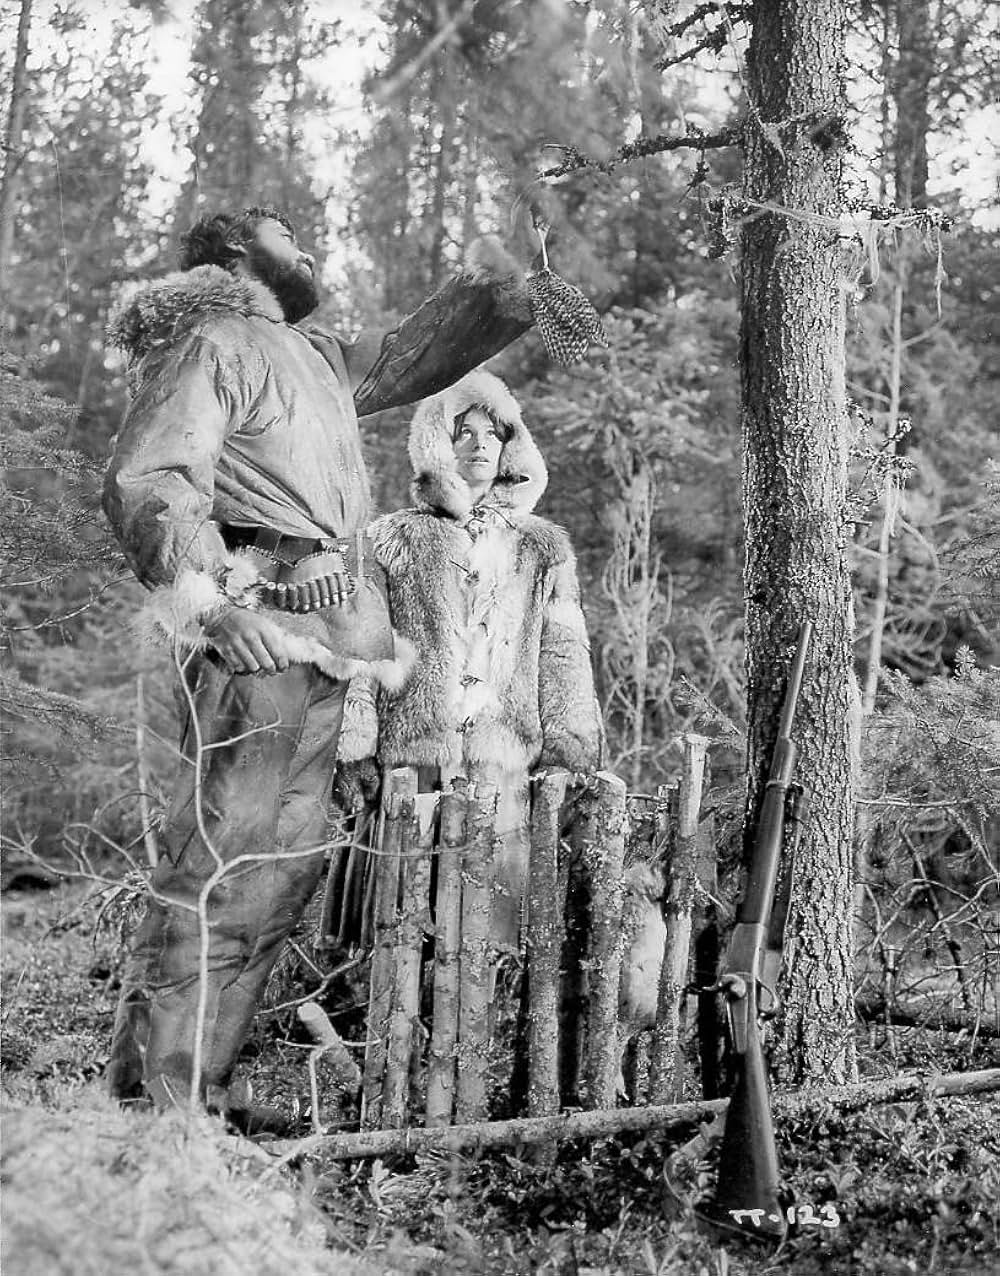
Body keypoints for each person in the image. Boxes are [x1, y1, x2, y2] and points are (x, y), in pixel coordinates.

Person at [103, 205, 535, 1128]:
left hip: (332, 629)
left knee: (286, 866)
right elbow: (152, 479)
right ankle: (158, 1104)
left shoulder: (314, 355)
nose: (307, 248)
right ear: (232, 253)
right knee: (223, 857)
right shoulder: (213, 340)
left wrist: (511, 287)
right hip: (258, 620)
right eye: (284, 235)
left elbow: (407, 355)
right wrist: (213, 607)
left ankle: (198, 1090)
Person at [335, 368, 604, 955]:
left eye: (494, 433)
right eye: (464, 431)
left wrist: (570, 747)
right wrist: (355, 746)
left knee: (486, 932)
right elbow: (363, 647)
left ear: (512, 447)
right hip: (412, 759)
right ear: (437, 444)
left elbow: (563, 652)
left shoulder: (542, 546)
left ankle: (480, 1031)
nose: (481, 444)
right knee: (400, 925)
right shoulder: (391, 539)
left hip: (500, 758)